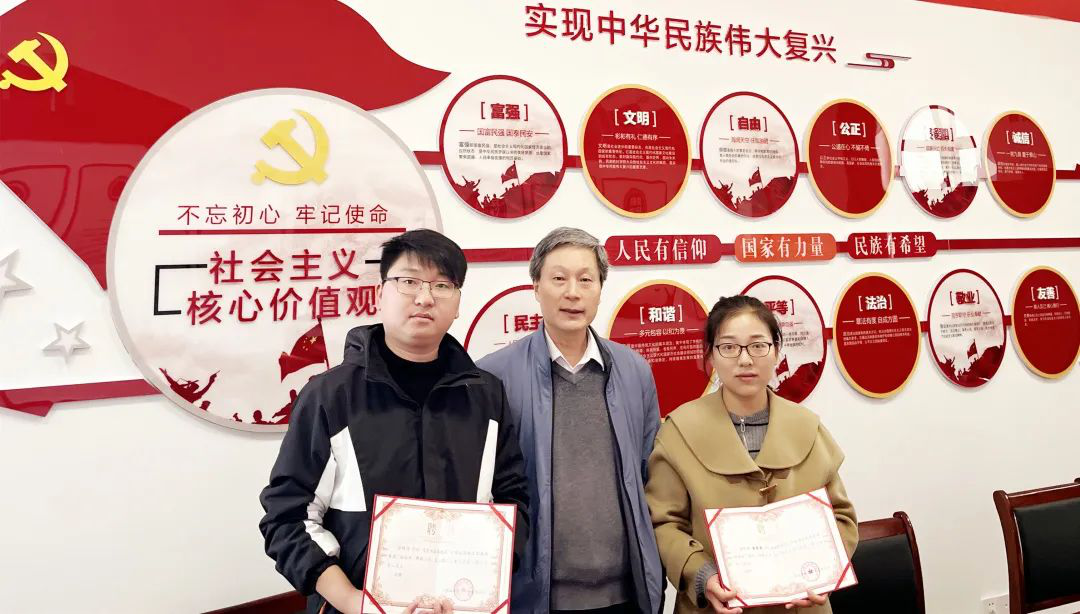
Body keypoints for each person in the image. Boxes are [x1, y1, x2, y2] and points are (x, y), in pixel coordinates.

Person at [259, 229, 530, 614]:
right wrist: (351, 600)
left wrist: (482, 583)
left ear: (457, 303)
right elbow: (286, 516)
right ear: (380, 294)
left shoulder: (486, 395)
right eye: (409, 281)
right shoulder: (330, 396)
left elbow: (512, 498)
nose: (425, 297)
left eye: (442, 285)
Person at [478, 227, 664, 614]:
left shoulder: (634, 370)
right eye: (559, 278)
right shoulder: (494, 376)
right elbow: (484, 490)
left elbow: (652, 476)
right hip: (535, 596)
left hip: (627, 594)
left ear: (600, 289)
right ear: (536, 286)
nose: (573, 293)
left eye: (585, 279)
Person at [645, 295, 858, 614]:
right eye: (729, 347)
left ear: (777, 350)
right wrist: (702, 575)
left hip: (801, 606)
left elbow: (841, 516)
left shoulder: (807, 428)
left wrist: (823, 571)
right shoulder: (679, 431)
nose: (745, 360)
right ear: (710, 355)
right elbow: (663, 523)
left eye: (758, 345)